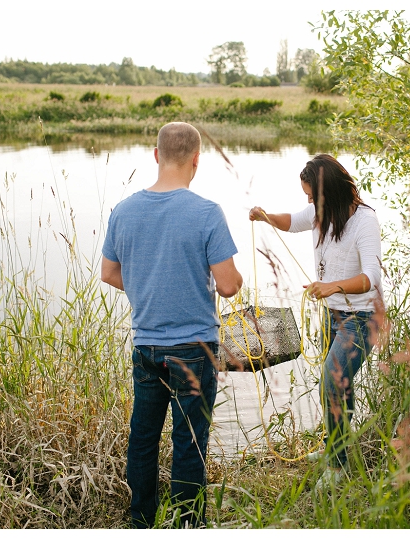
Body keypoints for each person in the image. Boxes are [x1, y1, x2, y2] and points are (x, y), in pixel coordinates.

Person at [101, 122, 243, 528]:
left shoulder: (124, 210)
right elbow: (229, 286)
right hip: (194, 352)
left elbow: (109, 273)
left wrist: (148, 282)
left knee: (143, 441)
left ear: (156, 154)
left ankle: (141, 522)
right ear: (197, 159)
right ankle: (185, 526)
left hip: (145, 349)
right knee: (189, 443)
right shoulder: (206, 212)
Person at [248, 154, 384, 491]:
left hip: (361, 317)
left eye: (311, 197)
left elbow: (371, 277)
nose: (309, 204)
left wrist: (333, 285)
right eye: (307, 197)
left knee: (331, 384)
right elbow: (293, 221)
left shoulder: (364, 221)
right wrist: (265, 217)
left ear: (331, 193)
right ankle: (332, 448)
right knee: (337, 387)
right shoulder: (321, 211)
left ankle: (337, 468)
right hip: (331, 315)